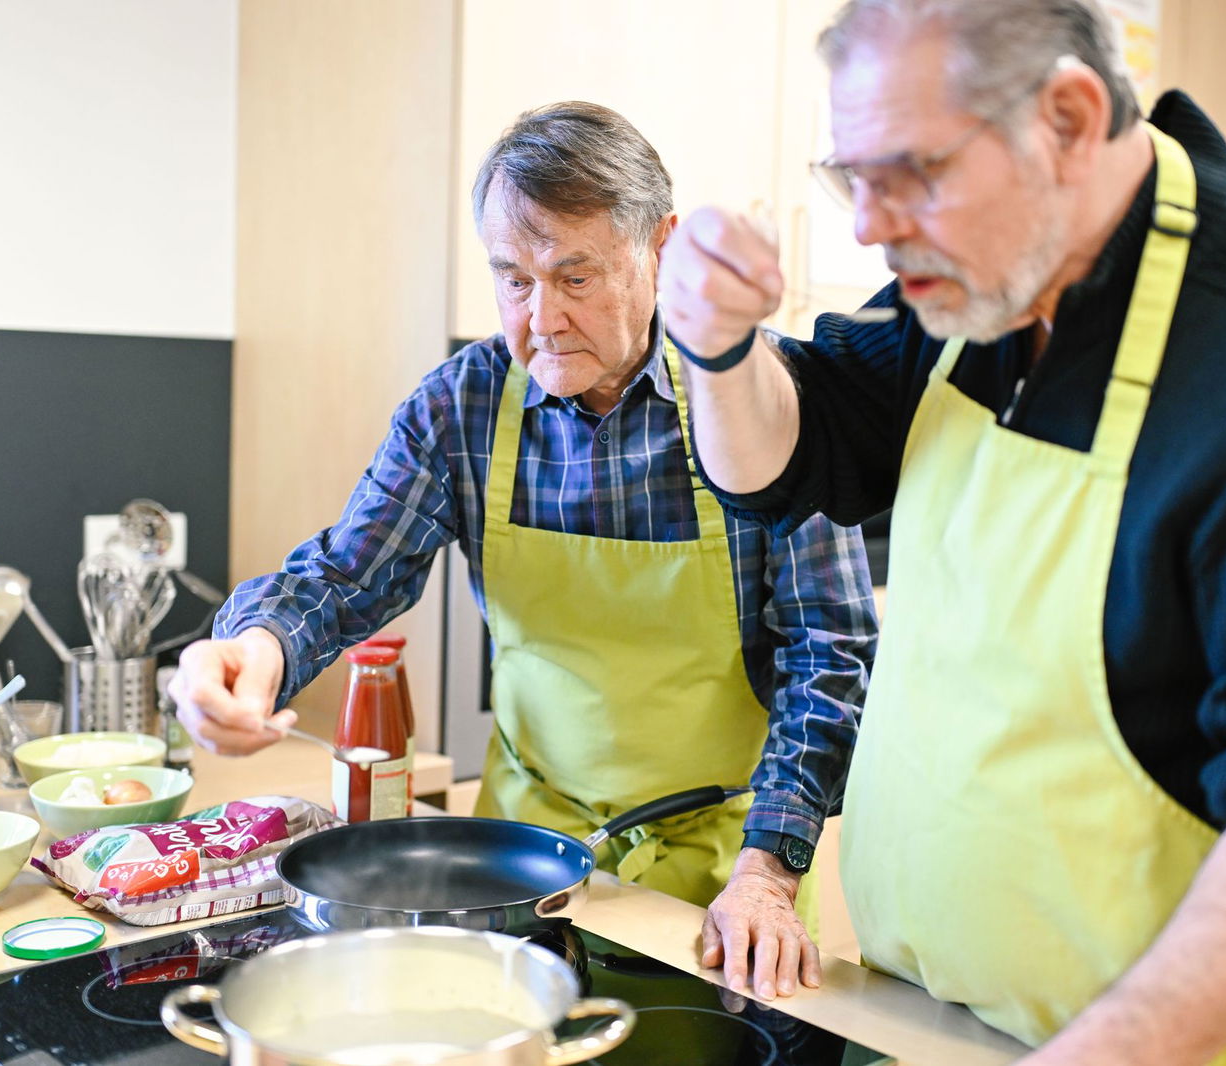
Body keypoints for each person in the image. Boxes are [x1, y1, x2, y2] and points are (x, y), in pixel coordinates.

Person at [655, 1, 1226, 1063]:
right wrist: (717, 349)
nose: (868, 223)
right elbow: (786, 458)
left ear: (1067, 116)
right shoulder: (968, 292)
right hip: (933, 1012)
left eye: (909, 174)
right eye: (850, 177)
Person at [170, 101, 877, 1001]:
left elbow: (833, 651)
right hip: (520, 866)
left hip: (725, 881)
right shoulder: (464, 405)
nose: (539, 317)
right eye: (512, 279)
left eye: (573, 276)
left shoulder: (756, 393)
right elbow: (347, 574)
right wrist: (254, 648)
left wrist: (767, 874)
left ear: (658, 247)